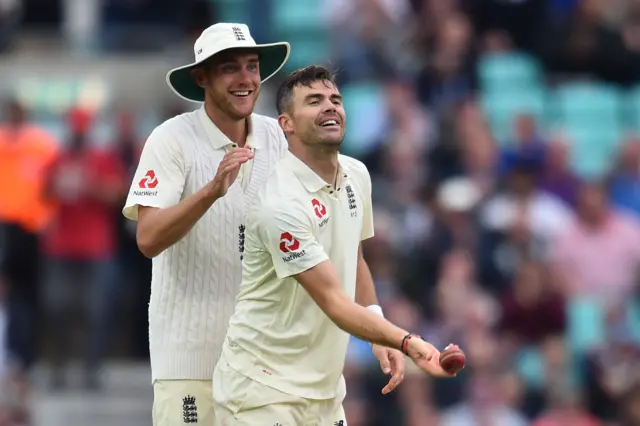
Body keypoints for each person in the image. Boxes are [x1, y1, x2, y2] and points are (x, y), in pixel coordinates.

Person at [213, 65, 461, 425]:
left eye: (335, 100)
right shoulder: (279, 204)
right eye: (314, 101)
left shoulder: (356, 174)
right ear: (287, 124)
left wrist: (379, 330)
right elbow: (332, 300)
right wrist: (408, 342)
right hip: (261, 391)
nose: (330, 107)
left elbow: (352, 255)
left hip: (325, 394)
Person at [122, 23, 291, 426]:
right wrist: (210, 192)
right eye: (230, 68)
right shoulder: (171, 139)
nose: (246, 78)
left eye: (252, 66)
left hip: (261, 364)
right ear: (202, 78)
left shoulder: (277, 137)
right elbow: (147, 238)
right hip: (189, 361)